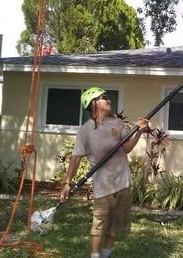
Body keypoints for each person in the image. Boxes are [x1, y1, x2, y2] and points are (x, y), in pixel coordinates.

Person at [60, 86, 149, 258]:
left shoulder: (117, 123)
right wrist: (67, 183)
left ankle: (106, 255)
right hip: (103, 185)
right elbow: (76, 157)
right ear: (93, 104)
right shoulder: (85, 131)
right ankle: (95, 255)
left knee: (114, 225)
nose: (108, 100)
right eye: (103, 98)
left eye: (107, 97)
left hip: (122, 181)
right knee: (99, 224)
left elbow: (127, 148)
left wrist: (138, 131)